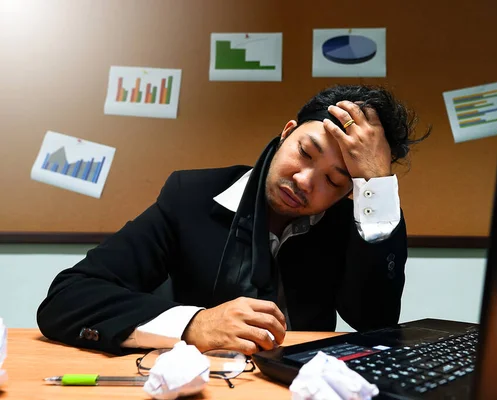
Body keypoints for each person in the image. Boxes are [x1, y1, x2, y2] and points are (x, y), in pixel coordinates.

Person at [37, 85, 429, 356]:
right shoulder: (190, 196)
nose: (305, 181)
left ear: (349, 193)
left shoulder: (354, 219)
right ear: (285, 133)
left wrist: (376, 186)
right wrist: (194, 325)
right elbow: (68, 299)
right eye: (305, 152)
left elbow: (374, 322)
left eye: (334, 180)